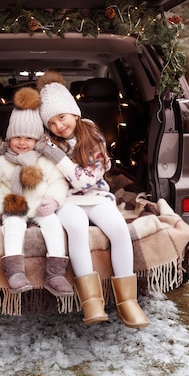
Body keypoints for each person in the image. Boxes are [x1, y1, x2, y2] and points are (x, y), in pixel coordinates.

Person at [35, 71, 150, 328]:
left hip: (97, 196)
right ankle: (91, 301)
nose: (58, 126)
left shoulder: (92, 134)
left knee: (119, 229)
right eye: (51, 123)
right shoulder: (48, 143)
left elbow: (85, 180)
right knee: (76, 229)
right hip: (66, 201)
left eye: (61, 117)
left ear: (73, 112)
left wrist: (58, 157)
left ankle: (127, 301)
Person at [0, 86, 73, 297]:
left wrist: (53, 201)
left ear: (37, 140)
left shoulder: (44, 160)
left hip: (40, 205)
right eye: (17, 137)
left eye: (29, 138)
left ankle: (56, 274)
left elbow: (59, 183)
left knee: (54, 226)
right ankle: (15, 272)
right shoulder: (1, 161)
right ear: (9, 138)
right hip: (14, 204)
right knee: (12, 226)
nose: (23, 143)